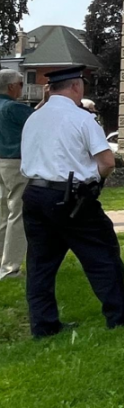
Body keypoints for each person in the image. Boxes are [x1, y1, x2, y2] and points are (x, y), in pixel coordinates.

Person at [20, 66, 124, 337]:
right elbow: (107, 162)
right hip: (71, 195)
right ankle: (119, 315)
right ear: (76, 87)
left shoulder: (34, 118)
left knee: (40, 264)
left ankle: (43, 325)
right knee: (102, 254)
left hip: (34, 194)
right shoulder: (82, 118)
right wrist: (94, 182)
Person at [0, 70, 33, 280]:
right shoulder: (14, 107)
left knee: (2, 214)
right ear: (12, 86)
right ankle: (10, 267)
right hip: (15, 162)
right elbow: (38, 122)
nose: (22, 87)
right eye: (21, 84)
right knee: (18, 214)